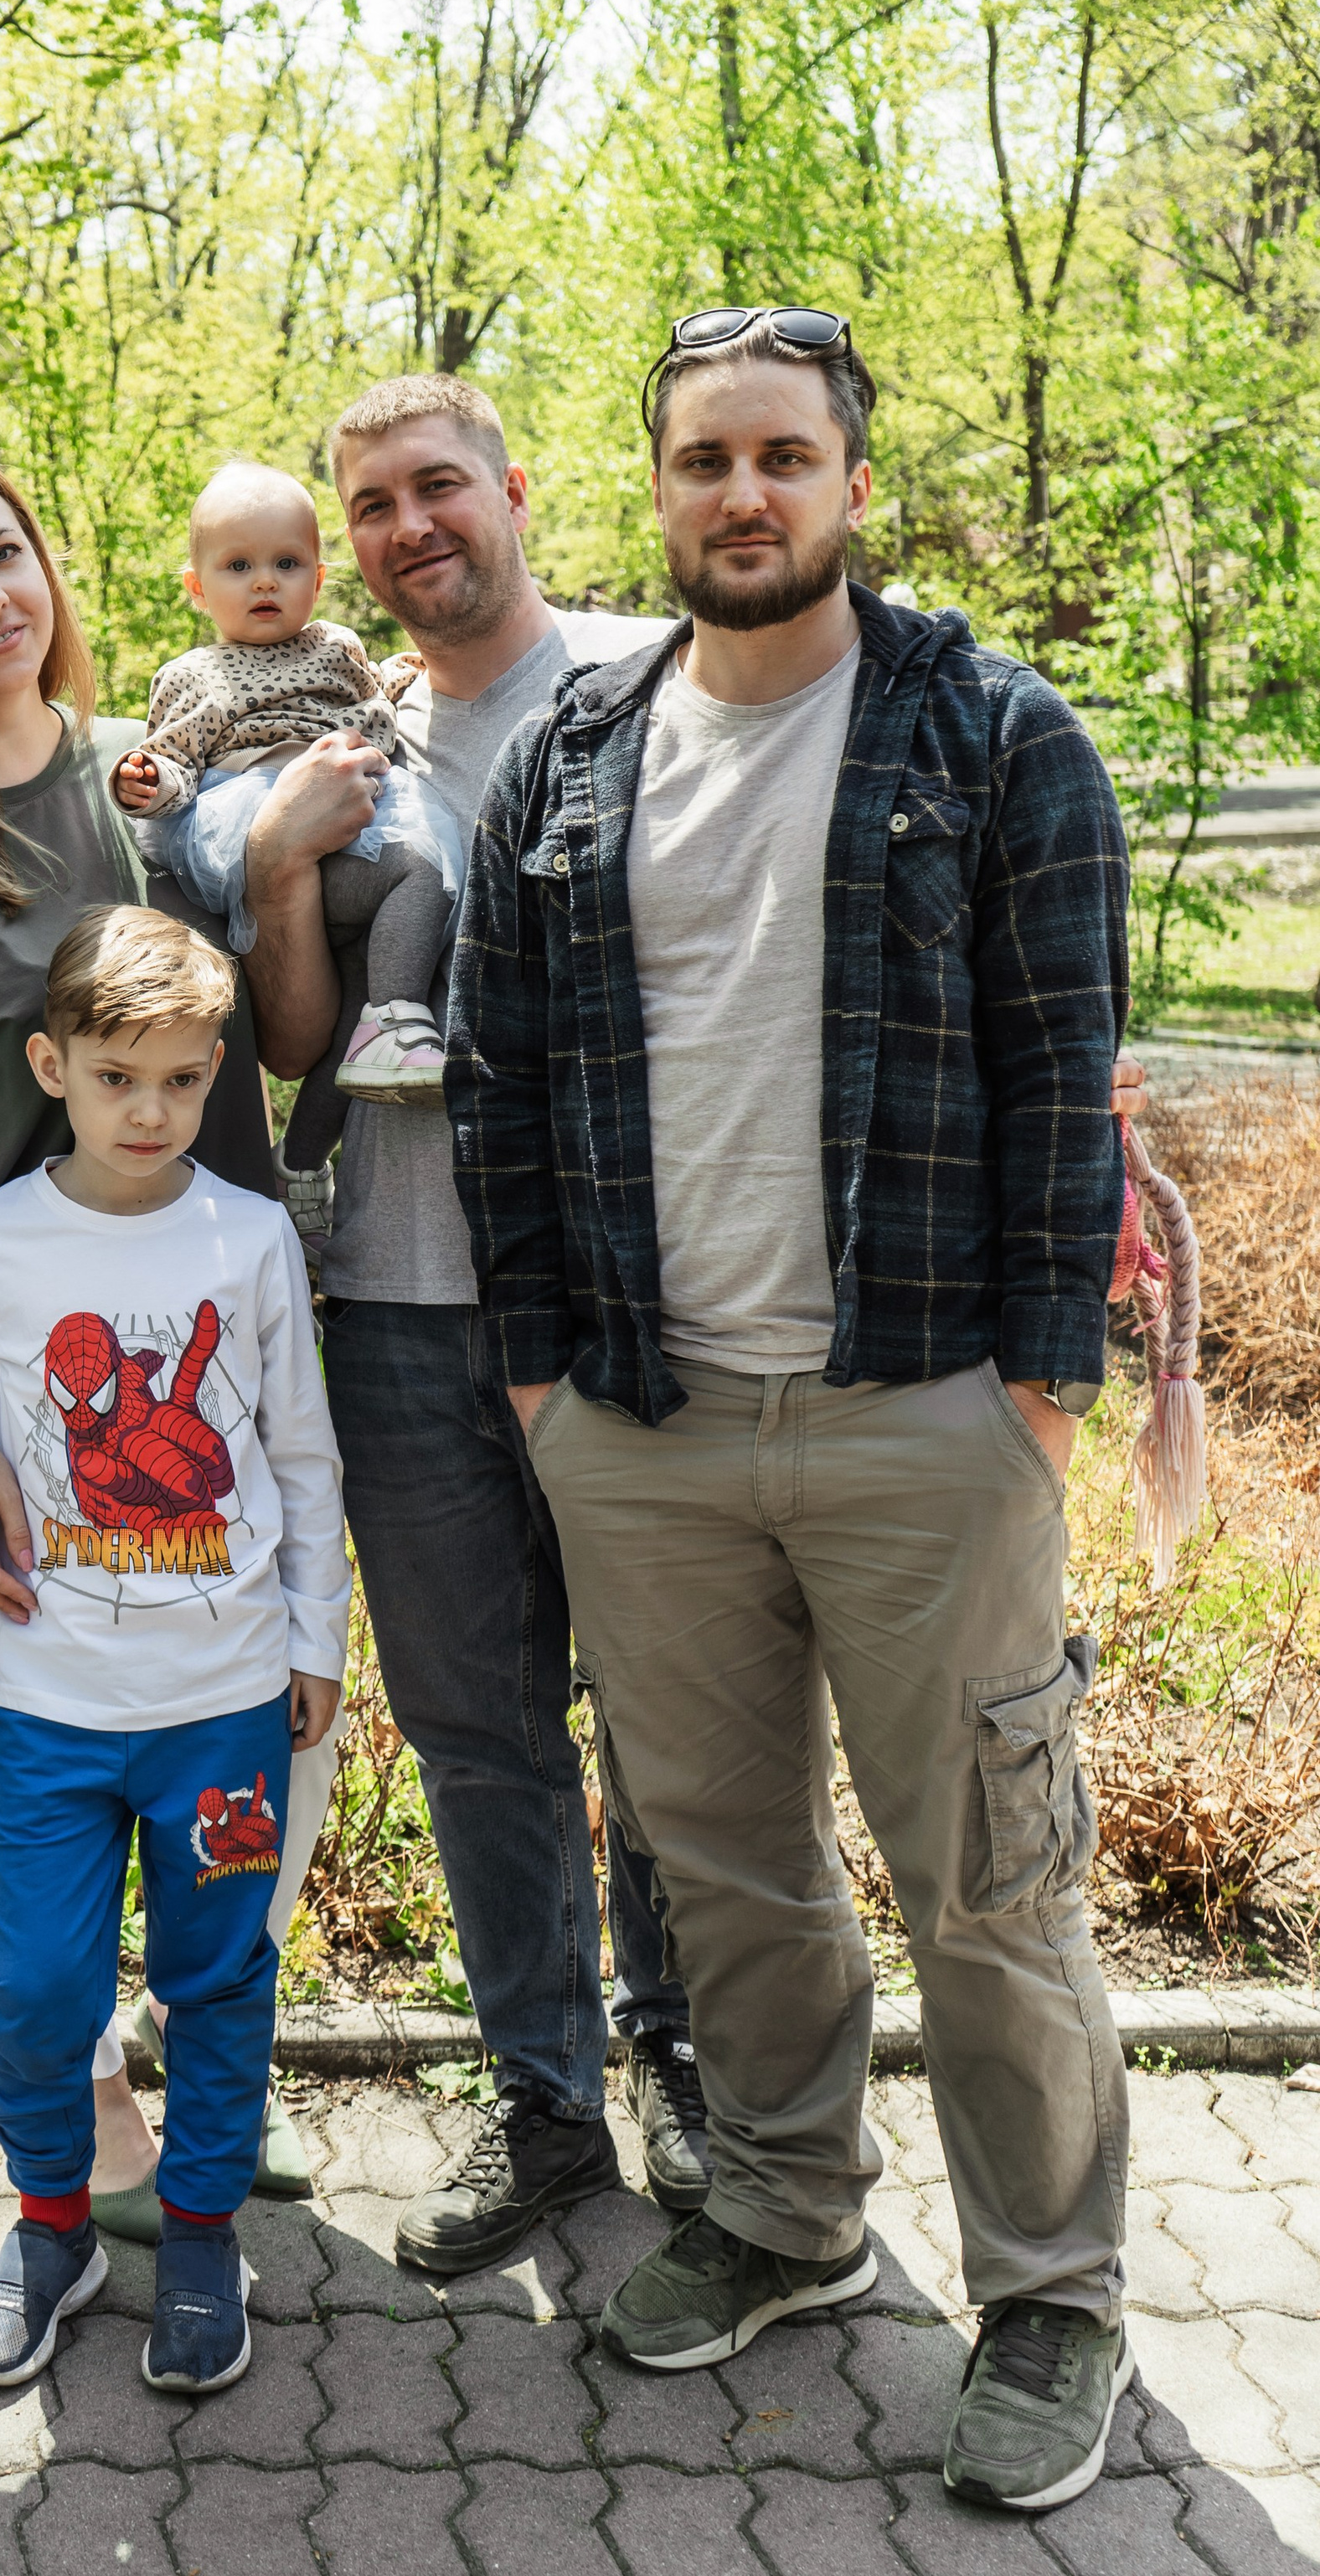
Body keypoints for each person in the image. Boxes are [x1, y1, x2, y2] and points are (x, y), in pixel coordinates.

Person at [451, 304, 1134, 2514]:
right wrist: (547, 1374)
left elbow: (1065, 1079)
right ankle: (787, 2211)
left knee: (991, 1877)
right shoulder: (571, 754)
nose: (740, 492)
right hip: (647, 1421)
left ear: (850, 479)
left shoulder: (991, 732)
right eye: (700, 458)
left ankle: (1051, 2293)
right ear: (652, 488)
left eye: (781, 455)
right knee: (722, 1859)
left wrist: (1037, 1389)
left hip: (920, 1408)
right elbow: (502, 1093)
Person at [0, 428, 336, 2221]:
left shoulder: (154, 784)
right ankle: (78, 2082)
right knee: (38, 1794)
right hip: (15, 1406)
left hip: (221, 1362)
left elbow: (282, 998)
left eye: (1, 552)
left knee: (260, 1758)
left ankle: (214, 2054)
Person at [236, 374, 707, 2268]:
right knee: (474, 1724)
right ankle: (543, 2102)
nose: (407, 525)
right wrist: (278, 864)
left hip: (622, 1297)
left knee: (674, 1702)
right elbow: (287, 1045)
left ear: (513, 488)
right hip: (395, 1307)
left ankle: (686, 2056)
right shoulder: (350, 738)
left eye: (438, 485)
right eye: (370, 504)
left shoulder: (650, 682)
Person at [0, 904, 348, 2396]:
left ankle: (204, 2231)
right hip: (47, 1702)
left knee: (220, 1978)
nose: (150, 1109)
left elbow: (298, 1453)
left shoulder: (249, 1235)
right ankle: (50, 2228)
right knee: (39, 1984)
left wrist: (320, 1638)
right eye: (117, 1077)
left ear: (216, 1070)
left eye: (179, 1077)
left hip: (224, 1705)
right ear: (54, 1066)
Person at [114, 461, 465, 1116]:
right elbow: (174, 760)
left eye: (287, 563)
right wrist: (148, 782)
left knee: (397, 925)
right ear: (197, 586)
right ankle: (392, 1022)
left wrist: (398, 675)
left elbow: (369, 711)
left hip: (358, 819)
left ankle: (306, 1158)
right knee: (410, 887)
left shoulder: (336, 647)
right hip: (252, 810)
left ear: (319, 577)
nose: (265, 580)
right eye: (238, 566)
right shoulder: (194, 674)